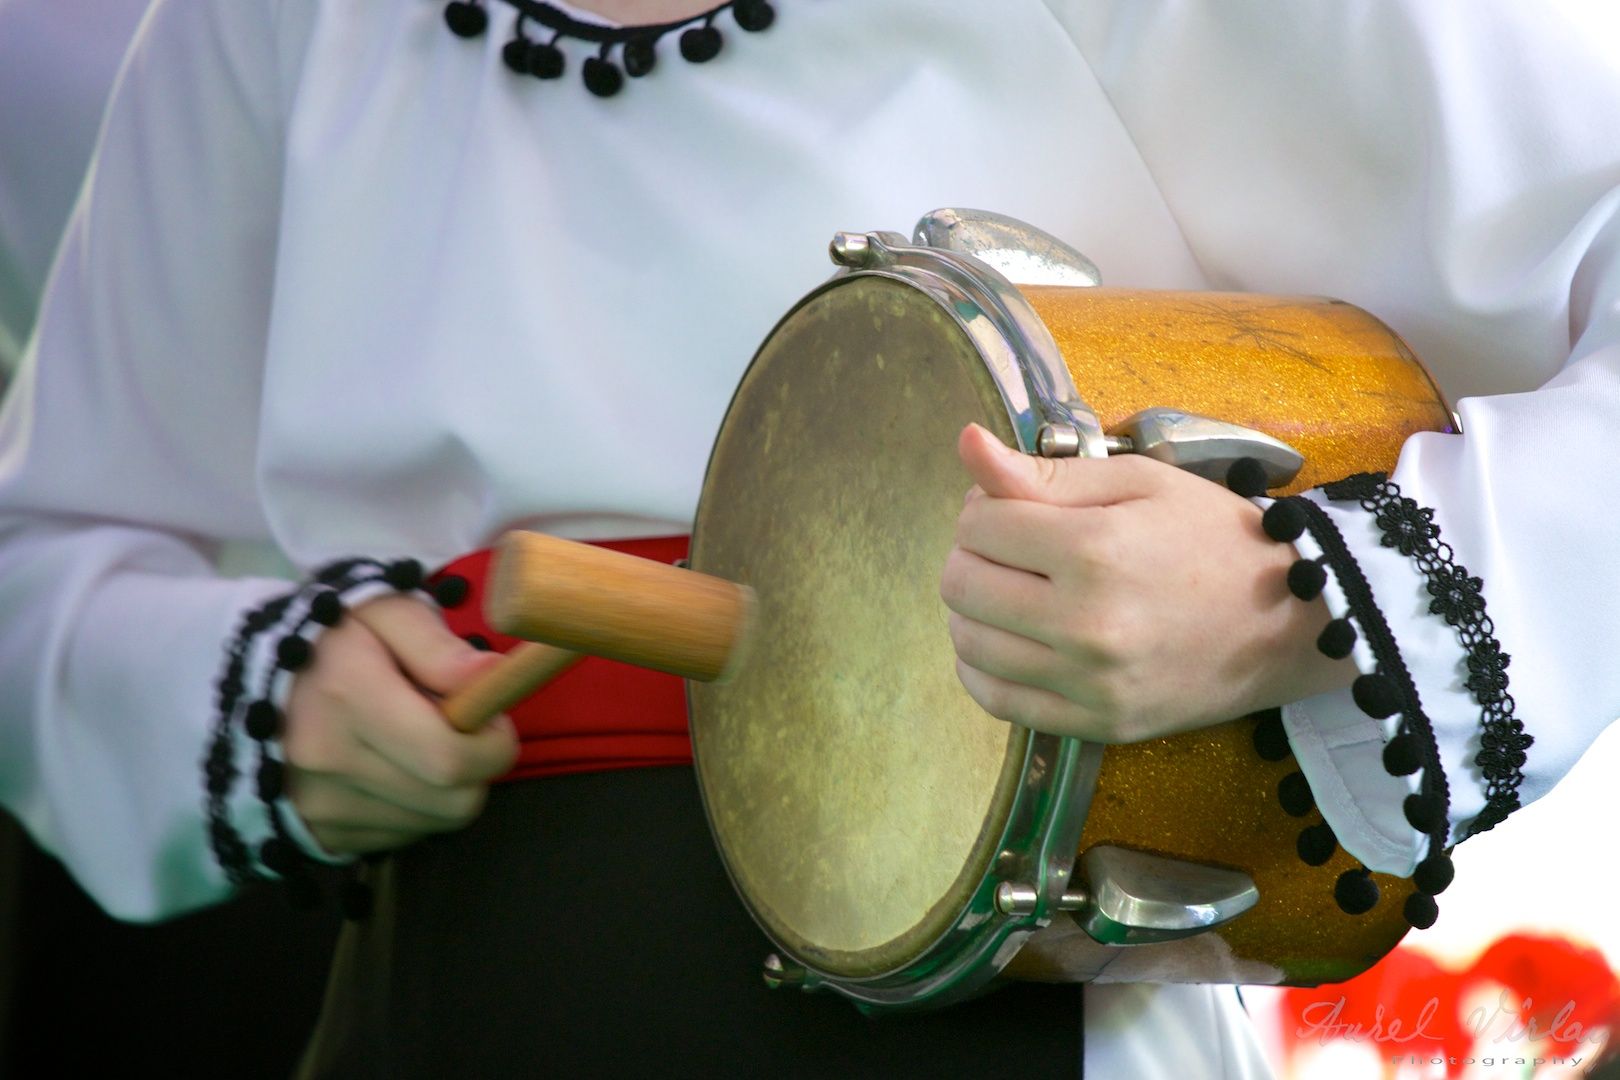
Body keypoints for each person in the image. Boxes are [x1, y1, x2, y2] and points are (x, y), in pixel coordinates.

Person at [0, 0, 1615, 1076]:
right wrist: (259, 692)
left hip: (1016, 1003)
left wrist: (1290, 598)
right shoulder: (265, 22)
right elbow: (43, 565)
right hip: (442, 994)